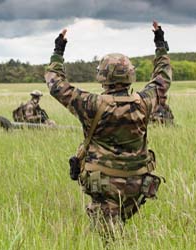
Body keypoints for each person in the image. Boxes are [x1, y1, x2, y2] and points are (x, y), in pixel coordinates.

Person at [44, 21, 172, 238]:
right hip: (138, 183)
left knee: (110, 243)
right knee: (115, 233)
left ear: (102, 77)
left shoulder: (91, 104)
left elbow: (55, 84)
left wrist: (58, 52)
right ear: (130, 75)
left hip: (104, 185)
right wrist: (160, 43)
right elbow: (163, 76)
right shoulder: (145, 102)